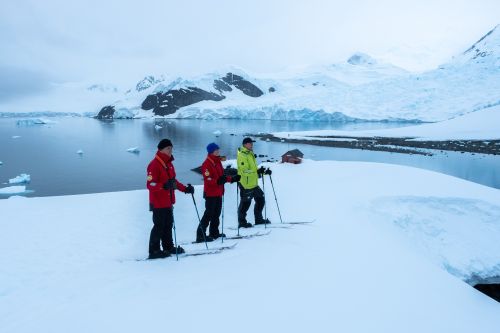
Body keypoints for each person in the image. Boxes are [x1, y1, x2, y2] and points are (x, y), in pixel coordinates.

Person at [146, 138, 194, 259]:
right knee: (159, 226)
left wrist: (185, 189)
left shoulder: (169, 164)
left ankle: (168, 247)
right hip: (158, 202)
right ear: (161, 149)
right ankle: (154, 251)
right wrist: (163, 186)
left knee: (168, 225)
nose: (170, 151)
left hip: (168, 201)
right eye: (168, 148)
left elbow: (174, 182)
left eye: (171, 148)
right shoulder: (154, 165)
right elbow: (150, 184)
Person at [196, 143, 241, 242]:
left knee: (216, 214)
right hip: (210, 193)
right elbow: (208, 179)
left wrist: (232, 179)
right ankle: (200, 235)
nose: (218, 151)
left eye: (218, 150)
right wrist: (217, 181)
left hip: (219, 192)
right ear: (211, 151)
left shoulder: (218, 162)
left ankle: (214, 233)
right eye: (216, 150)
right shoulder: (206, 164)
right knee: (208, 214)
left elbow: (222, 177)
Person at [236, 137, 271, 228]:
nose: (252, 145)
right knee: (245, 204)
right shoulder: (242, 155)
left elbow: (253, 169)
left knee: (260, 199)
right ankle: (242, 223)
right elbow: (244, 171)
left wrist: (261, 171)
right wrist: (256, 172)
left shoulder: (250, 154)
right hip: (245, 184)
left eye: (252, 143)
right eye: (250, 143)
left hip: (253, 183)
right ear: (245, 145)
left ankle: (258, 219)